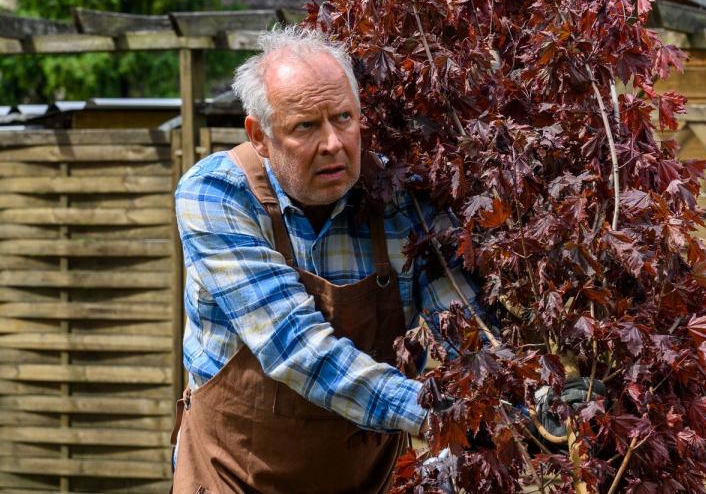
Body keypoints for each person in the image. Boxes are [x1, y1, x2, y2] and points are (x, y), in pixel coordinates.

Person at [169, 26, 482, 493]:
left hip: (364, 480)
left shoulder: (401, 201)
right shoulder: (216, 196)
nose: (333, 143)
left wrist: (507, 401)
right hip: (232, 474)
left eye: (343, 118)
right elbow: (294, 346)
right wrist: (444, 415)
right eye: (306, 127)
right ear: (259, 135)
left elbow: (462, 330)